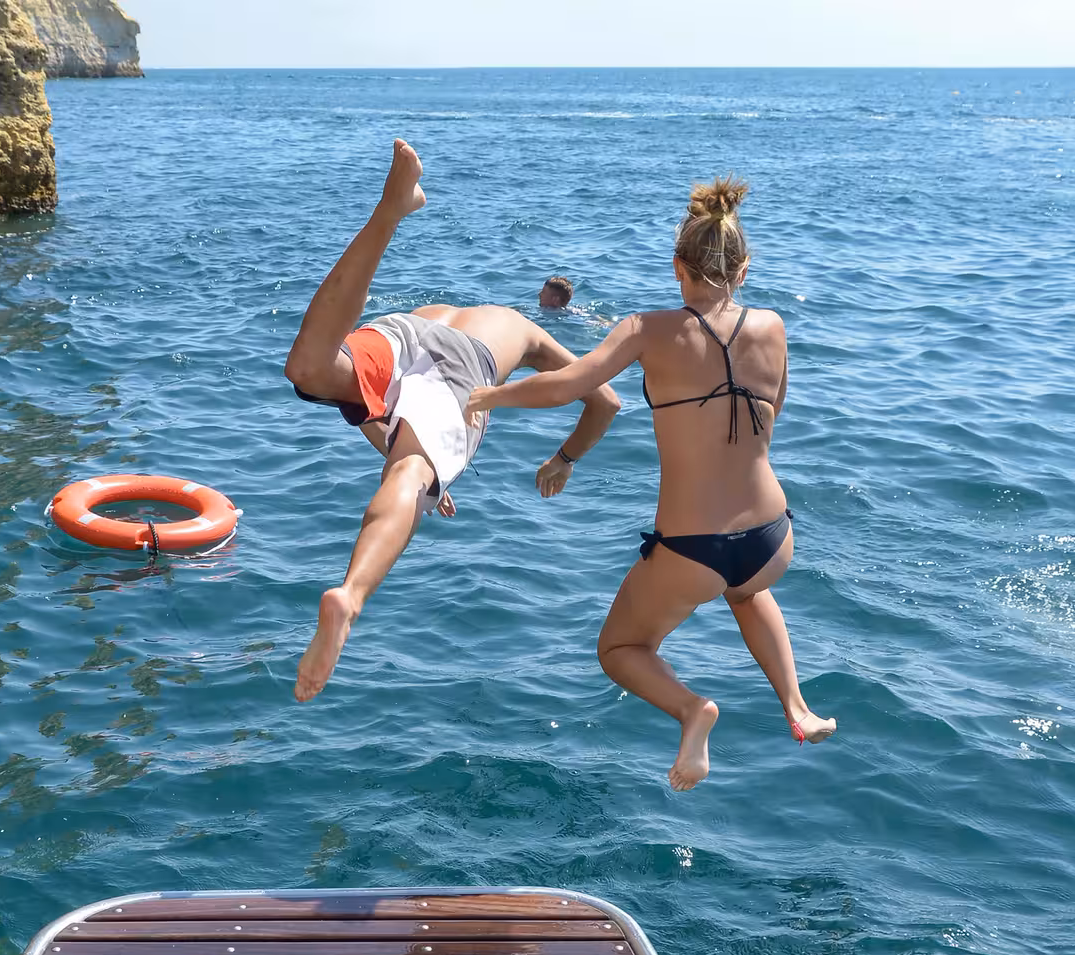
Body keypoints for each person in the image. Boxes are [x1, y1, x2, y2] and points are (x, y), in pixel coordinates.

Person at [467, 175, 836, 790]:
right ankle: (796, 705)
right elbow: (773, 417)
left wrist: (489, 395)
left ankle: (693, 711)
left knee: (619, 649)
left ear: (676, 268)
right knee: (745, 592)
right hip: (772, 537)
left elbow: (568, 386)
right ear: (743, 269)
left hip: (693, 547)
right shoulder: (774, 326)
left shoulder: (647, 329)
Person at [283, 139, 621, 704]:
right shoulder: (525, 329)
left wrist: (397, 448)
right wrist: (563, 459)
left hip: (400, 330)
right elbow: (605, 400)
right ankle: (350, 596)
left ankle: (389, 212)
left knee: (310, 367)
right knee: (409, 478)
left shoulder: (446, 309)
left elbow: (378, 403)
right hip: (470, 367)